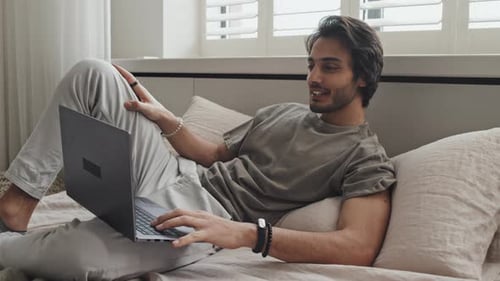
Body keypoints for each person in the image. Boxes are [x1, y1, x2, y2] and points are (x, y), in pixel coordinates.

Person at [0, 15, 396, 279]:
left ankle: (8, 247)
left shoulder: (365, 156)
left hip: (210, 219)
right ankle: (18, 203)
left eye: (329, 67)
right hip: (178, 174)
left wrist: (247, 235)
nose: (313, 76)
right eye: (311, 64)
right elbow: (213, 154)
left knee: (81, 258)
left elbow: (357, 246)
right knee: (93, 72)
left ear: (362, 76)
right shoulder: (282, 112)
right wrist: (163, 115)